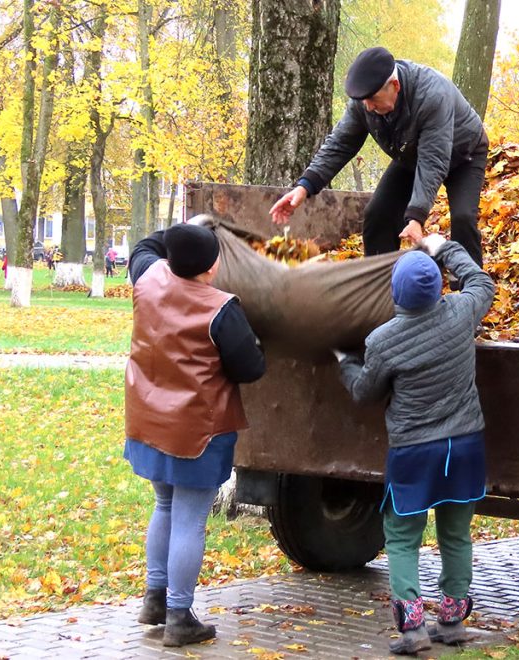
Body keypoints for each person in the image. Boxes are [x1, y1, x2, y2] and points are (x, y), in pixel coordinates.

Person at [333, 234, 495, 655]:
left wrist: (345, 363)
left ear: (395, 293)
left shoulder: (383, 340)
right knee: (456, 535)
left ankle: (413, 631)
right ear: (440, 286)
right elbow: (481, 281)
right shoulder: (462, 312)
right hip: (464, 447)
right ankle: (453, 622)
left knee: (403, 537)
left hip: (414, 453)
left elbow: (364, 393)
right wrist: (444, 247)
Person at [123, 216, 266, 648]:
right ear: (210, 267)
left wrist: (183, 228)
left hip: (149, 420)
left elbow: (144, 247)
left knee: (164, 506)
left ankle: (154, 598)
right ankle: (180, 616)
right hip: (197, 431)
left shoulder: (148, 278)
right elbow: (251, 368)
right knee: (189, 517)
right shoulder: (221, 308)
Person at [269, 47, 489, 267]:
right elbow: (340, 143)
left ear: (395, 86)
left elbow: (433, 160)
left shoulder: (432, 94)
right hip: (411, 155)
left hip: (464, 154)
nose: (368, 107)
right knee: (377, 215)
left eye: (373, 99)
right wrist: (304, 186)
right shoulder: (364, 102)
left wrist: (416, 217)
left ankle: (472, 289)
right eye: (364, 101)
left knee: (462, 219)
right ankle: (380, 286)